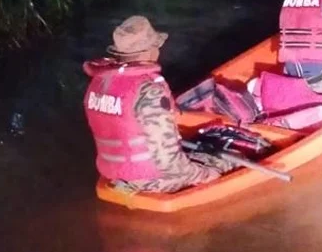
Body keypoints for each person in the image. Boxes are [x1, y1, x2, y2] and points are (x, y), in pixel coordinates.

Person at [83, 15, 232, 193]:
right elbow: (167, 159)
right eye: (157, 47)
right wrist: (202, 174)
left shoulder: (98, 83)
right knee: (231, 158)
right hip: (151, 180)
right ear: (150, 51)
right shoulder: (149, 90)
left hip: (116, 174)